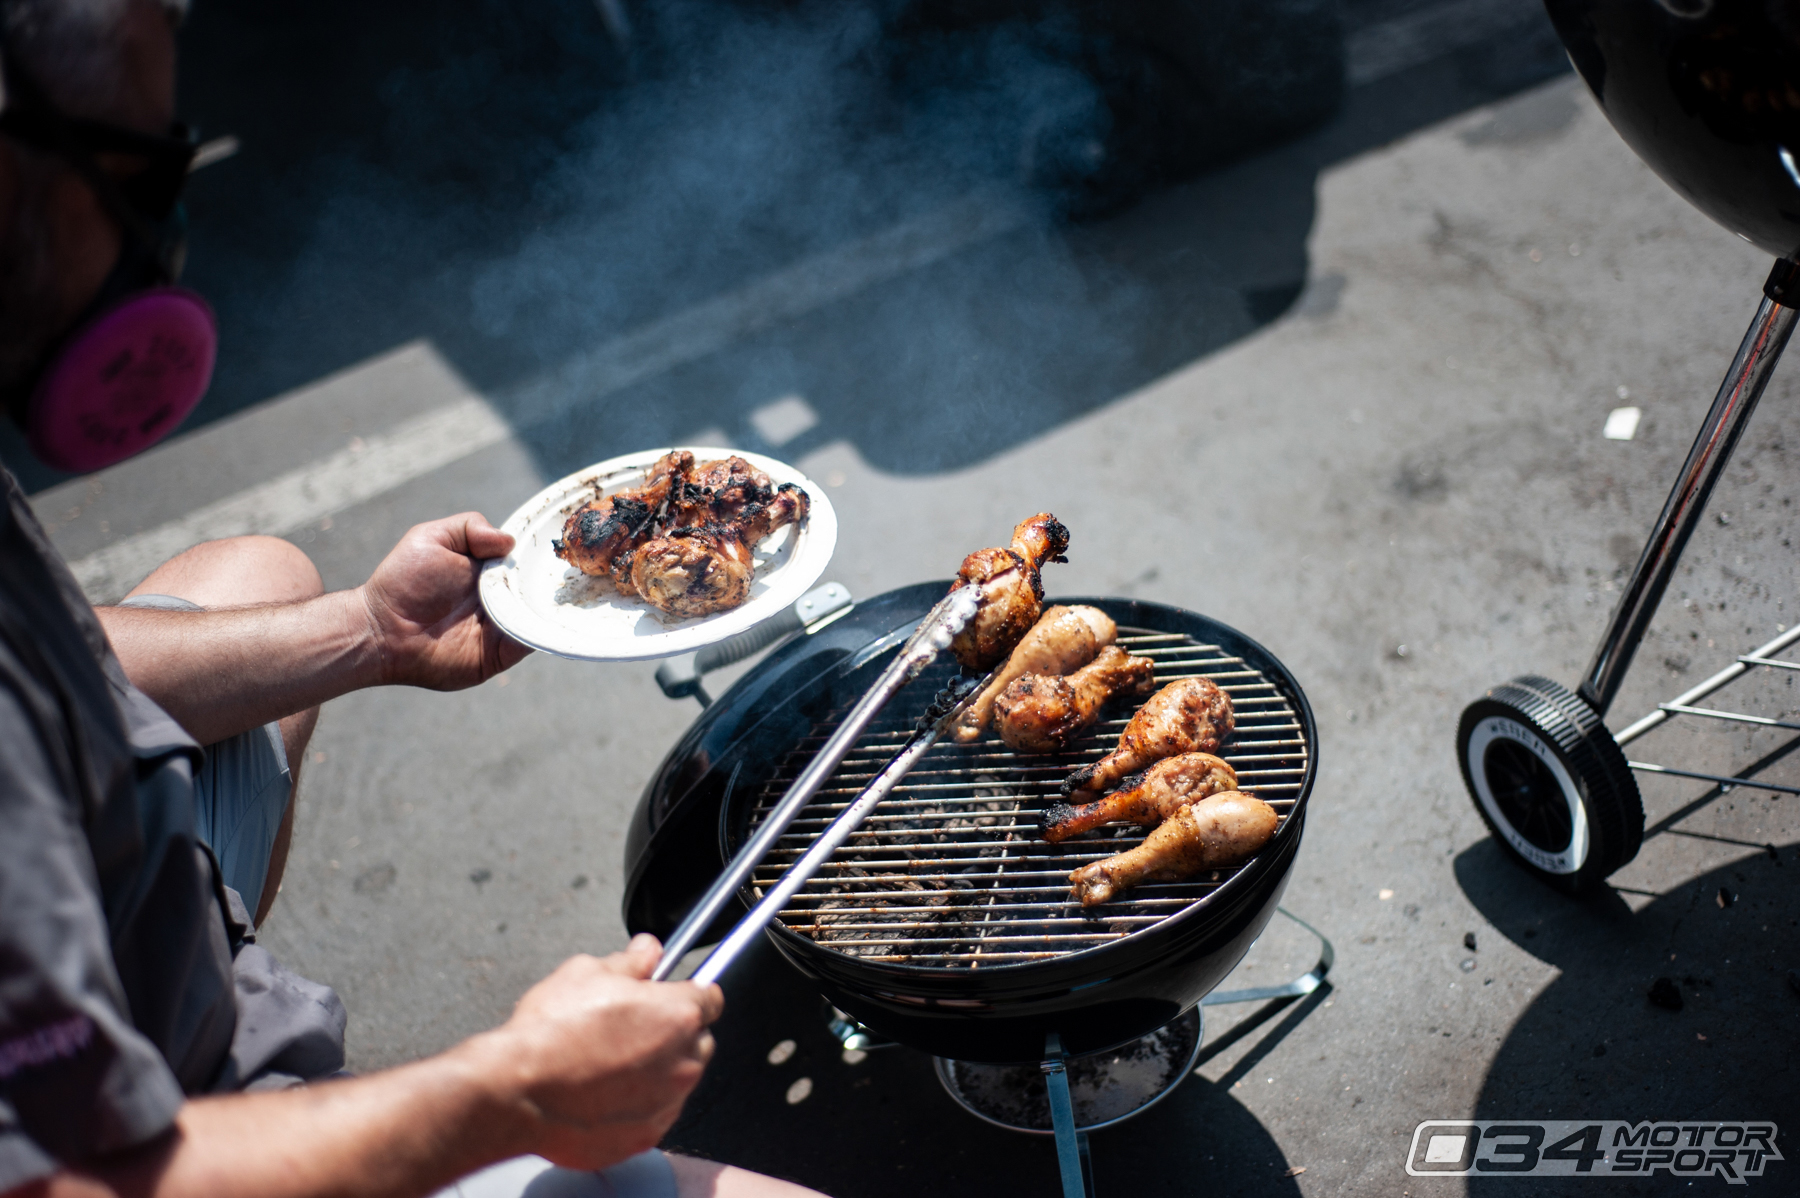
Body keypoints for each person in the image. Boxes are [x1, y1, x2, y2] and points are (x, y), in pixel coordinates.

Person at [0, 1, 824, 1195]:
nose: (163, 233)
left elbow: (54, 653)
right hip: (138, 1142)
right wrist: (507, 1093)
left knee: (259, 579)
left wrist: (370, 634)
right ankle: (251, 1094)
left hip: (121, 933)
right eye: (142, 166)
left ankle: (200, 984)